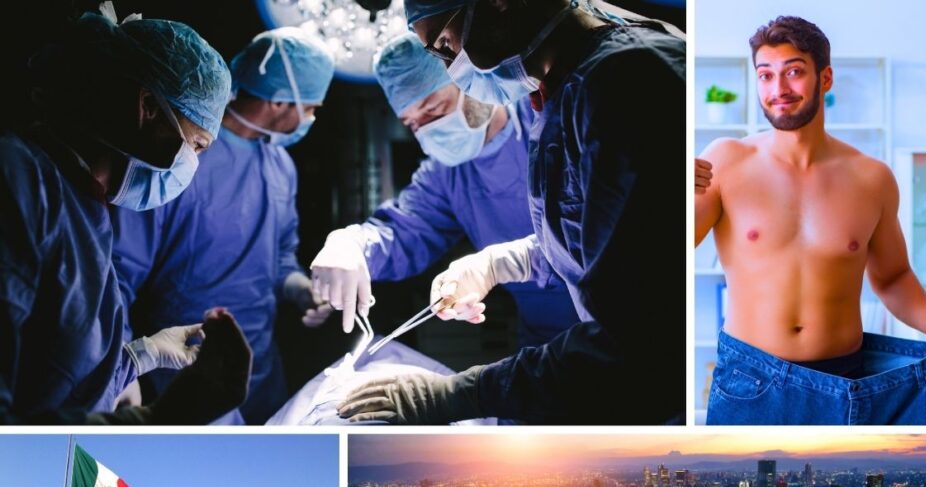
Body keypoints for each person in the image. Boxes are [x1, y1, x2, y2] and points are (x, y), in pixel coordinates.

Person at [336, 0, 685, 424]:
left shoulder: (628, 79)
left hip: (635, 382)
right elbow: (596, 237)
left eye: (446, 44)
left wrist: (458, 394)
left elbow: (639, 337)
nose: (452, 67)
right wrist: (499, 263)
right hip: (571, 363)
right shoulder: (557, 97)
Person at [694, 16, 926, 425]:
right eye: (765, 75)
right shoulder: (726, 160)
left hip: (847, 382)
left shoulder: (871, 178)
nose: (779, 89)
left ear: (825, 78)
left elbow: (893, 277)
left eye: (794, 71)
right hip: (751, 378)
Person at [0, 7, 251, 424]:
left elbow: (60, 372)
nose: (196, 164)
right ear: (148, 106)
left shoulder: (86, 206)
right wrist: (159, 419)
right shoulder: (19, 183)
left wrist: (140, 357)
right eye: (198, 145)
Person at [111, 27, 336, 424]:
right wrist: (122, 365)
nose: (313, 117)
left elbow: (280, 255)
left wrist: (299, 288)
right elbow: (120, 271)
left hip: (262, 366)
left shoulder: (281, 165)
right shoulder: (177, 160)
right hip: (185, 360)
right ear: (282, 100)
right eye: (313, 107)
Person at [309, 31, 578, 350]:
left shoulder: (555, 121)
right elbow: (403, 231)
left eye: (434, 109)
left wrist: (499, 264)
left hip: (621, 317)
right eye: (413, 124)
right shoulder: (447, 173)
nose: (427, 130)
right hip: (544, 341)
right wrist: (352, 245)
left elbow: (599, 231)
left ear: (474, 82)